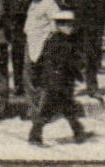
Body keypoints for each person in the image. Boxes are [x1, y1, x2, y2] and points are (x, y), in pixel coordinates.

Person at [26, 9, 89, 147]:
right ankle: (35, 136)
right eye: (64, 24)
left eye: (70, 24)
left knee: (68, 108)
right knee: (49, 110)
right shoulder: (57, 41)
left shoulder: (66, 40)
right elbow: (51, 60)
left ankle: (78, 132)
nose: (68, 27)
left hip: (62, 81)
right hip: (55, 82)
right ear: (58, 25)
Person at [53, 0, 105, 102]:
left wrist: (97, 21)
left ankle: (93, 88)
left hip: (89, 23)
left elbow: (99, 0)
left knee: (91, 56)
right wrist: (65, 13)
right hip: (71, 24)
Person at [22, 0, 60, 110]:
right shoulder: (33, 2)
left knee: (44, 78)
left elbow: (54, 27)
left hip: (44, 44)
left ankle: (43, 109)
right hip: (31, 42)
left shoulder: (49, 4)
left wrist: (48, 46)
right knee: (29, 77)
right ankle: (32, 108)